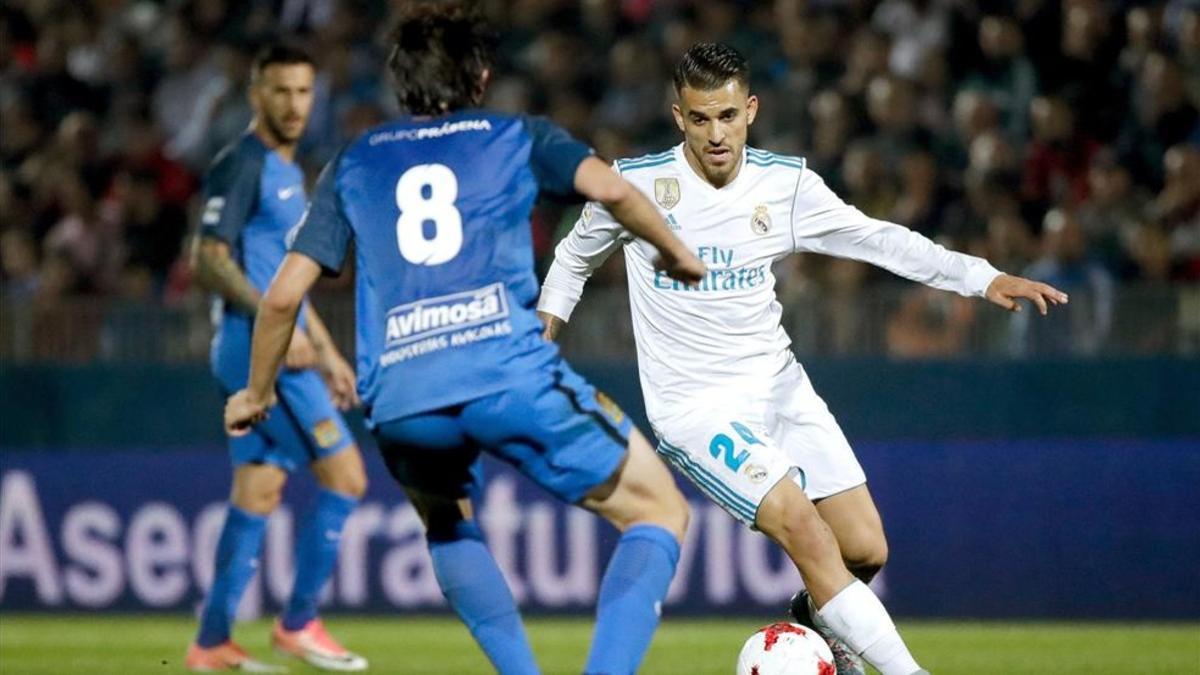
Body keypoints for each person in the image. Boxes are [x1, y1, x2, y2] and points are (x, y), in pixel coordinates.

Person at [538, 42, 1068, 675]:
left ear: (751, 110)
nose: (716, 134)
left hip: (779, 387)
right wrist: (540, 343)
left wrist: (981, 278)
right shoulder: (635, 185)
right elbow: (572, 259)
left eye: (728, 117)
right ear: (678, 116)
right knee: (803, 526)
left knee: (865, 549)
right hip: (696, 408)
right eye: (701, 118)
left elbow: (877, 239)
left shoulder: (784, 185)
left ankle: (809, 632)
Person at [223, 4, 704, 674]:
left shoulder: (355, 161)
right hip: (506, 371)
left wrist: (255, 389)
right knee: (660, 512)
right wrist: (674, 250)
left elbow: (280, 295)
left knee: (445, 519)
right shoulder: (516, 135)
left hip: (400, 397)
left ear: (402, 85)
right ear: (479, 76)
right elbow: (614, 193)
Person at [187, 43, 368, 672]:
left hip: (283, 347)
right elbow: (207, 257)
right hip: (253, 347)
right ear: (255, 94)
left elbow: (288, 277)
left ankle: (211, 642)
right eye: (281, 91)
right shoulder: (242, 164)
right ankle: (297, 624)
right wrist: (274, 325)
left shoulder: (290, 174)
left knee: (259, 494)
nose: (294, 105)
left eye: (303, 92)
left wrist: (324, 350)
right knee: (346, 478)